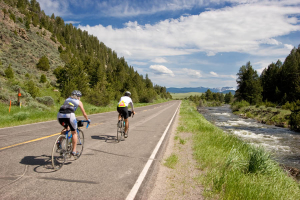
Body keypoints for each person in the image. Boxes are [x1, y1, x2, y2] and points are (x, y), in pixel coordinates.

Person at [57, 90, 90, 156]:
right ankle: (74, 151)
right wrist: (87, 119)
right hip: (70, 115)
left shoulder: (67, 99)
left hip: (60, 115)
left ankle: (59, 141)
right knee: (74, 132)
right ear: (78, 97)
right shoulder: (79, 102)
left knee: (66, 128)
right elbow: (84, 113)